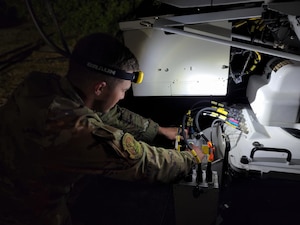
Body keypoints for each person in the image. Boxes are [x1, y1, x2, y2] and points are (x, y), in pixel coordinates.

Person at [0, 32, 204, 225]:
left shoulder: (40, 84)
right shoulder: (73, 129)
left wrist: (157, 130)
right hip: (22, 213)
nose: (123, 97)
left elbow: (108, 113)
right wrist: (191, 158)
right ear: (99, 88)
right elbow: (142, 162)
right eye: (123, 90)